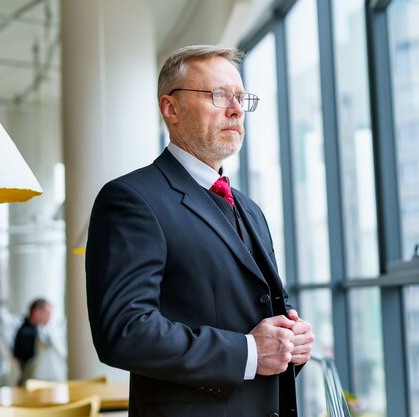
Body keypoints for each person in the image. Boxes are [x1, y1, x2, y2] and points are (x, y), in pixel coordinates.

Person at [86, 45, 314, 417]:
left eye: (241, 97)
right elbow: (123, 331)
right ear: (170, 109)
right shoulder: (130, 199)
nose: (236, 109)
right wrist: (249, 352)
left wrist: (293, 340)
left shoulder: (250, 209)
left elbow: (267, 308)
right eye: (218, 95)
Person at [12, 298, 51, 385]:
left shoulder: (31, 330)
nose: (49, 317)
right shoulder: (27, 334)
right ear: (36, 313)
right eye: (47, 313)